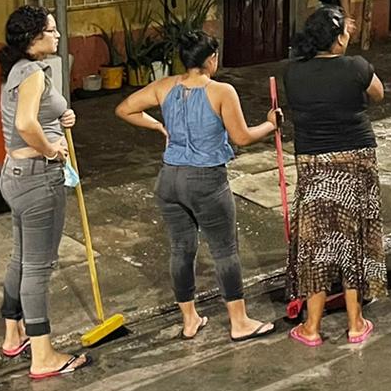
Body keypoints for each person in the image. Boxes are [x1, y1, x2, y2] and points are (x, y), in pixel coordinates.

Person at [116, 32, 281, 341]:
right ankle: (239, 321)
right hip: (206, 180)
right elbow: (242, 137)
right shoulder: (221, 91)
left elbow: (125, 109)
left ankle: (189, 319)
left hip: (169, 179)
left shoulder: (164, 86)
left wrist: (158, 126)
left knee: (181, 249)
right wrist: (271, 124)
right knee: (225, 250)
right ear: (210, 59)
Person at [281, 6, 386, 348]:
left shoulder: (293, 72)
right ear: (338, 39)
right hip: (356, 158)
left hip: (313, 162)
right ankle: (356, 322)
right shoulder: (356, 67)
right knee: (353, 239)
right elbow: (378, 94)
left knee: (316, 243)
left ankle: (311, 326)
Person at [0, 6, 89, 379]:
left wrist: (61, 116)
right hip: (38, 179)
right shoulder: (33, 73)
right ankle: (43, 355)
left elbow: (31, 116)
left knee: (21, 258)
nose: (58, 35)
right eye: (51, 30)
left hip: (14, 175)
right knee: (38, 267)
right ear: (34, 37)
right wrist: (51, 150)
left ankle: (13, 333)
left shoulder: (16, 70)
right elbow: (25, 123)